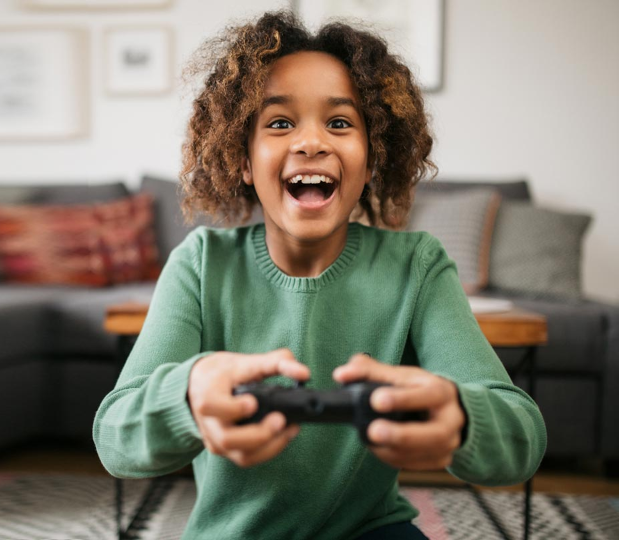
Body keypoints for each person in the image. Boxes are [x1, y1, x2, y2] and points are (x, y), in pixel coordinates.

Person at [92, 10, 546, 540]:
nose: (312, 142)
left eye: (339, 122)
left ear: (373, 158)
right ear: (242, 159)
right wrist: (187, 397)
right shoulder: (200, 264)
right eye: (280, 123)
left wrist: (462, 418)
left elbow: (522, 436)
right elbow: (115, 440)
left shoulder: (417, 266)